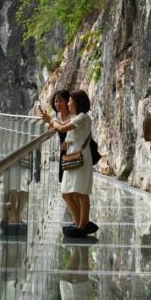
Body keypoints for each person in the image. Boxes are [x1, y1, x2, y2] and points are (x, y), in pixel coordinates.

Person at [51, 90, 98, 237]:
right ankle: (79, 223)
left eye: (70, 101)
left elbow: (61, 128)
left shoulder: (83, 117)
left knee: (82, 193)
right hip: (73, 155)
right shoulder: (77, 117)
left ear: (77, 103)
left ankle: (82, 226)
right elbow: (65, 128)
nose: (69, 103)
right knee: (67, 192)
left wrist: (50, 120)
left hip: (81, 157)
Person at [41, 90, 71, 183]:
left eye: (61, 101)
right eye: (56, 101)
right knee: (63, 180)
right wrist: (49, 121)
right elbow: (52, 129)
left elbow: (62, 128)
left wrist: (52, 121)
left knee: (71, 183)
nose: (57, 104)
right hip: (63, 152)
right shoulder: (58, 115)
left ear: (67, 102)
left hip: (73, 151)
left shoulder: (72, 116)